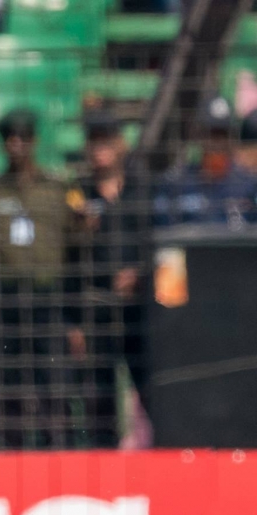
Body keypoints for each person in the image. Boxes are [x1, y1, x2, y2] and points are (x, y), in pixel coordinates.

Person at [0, 108, 81, 450]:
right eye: (10, 138)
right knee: (5, 387)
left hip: (47, 298)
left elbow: (77, 249)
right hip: (2, 299)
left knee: (54, 385)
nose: (17, 145)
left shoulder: (58, 190)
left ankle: (59, 455)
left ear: (34, 140)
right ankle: (11, 455)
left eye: (23, 137)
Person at [71, 109, 150, 448]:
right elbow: (67, 262)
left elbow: (162, 245)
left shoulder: (143, 189)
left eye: (106, 139)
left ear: (120, 143)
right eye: (93, 139)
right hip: (96, 312)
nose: (99, 147)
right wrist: (74, 323)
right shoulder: (76, 194)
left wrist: (141, 275)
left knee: (153, 394)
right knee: (98, 406)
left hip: (140, 311)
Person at [153, 96, 257, 228]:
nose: (217, 142)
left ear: (232, 138)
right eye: (211, 134)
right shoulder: (175, 183)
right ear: (199, 136)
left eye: (223, 134)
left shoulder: (249, 185)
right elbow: (162, 227)